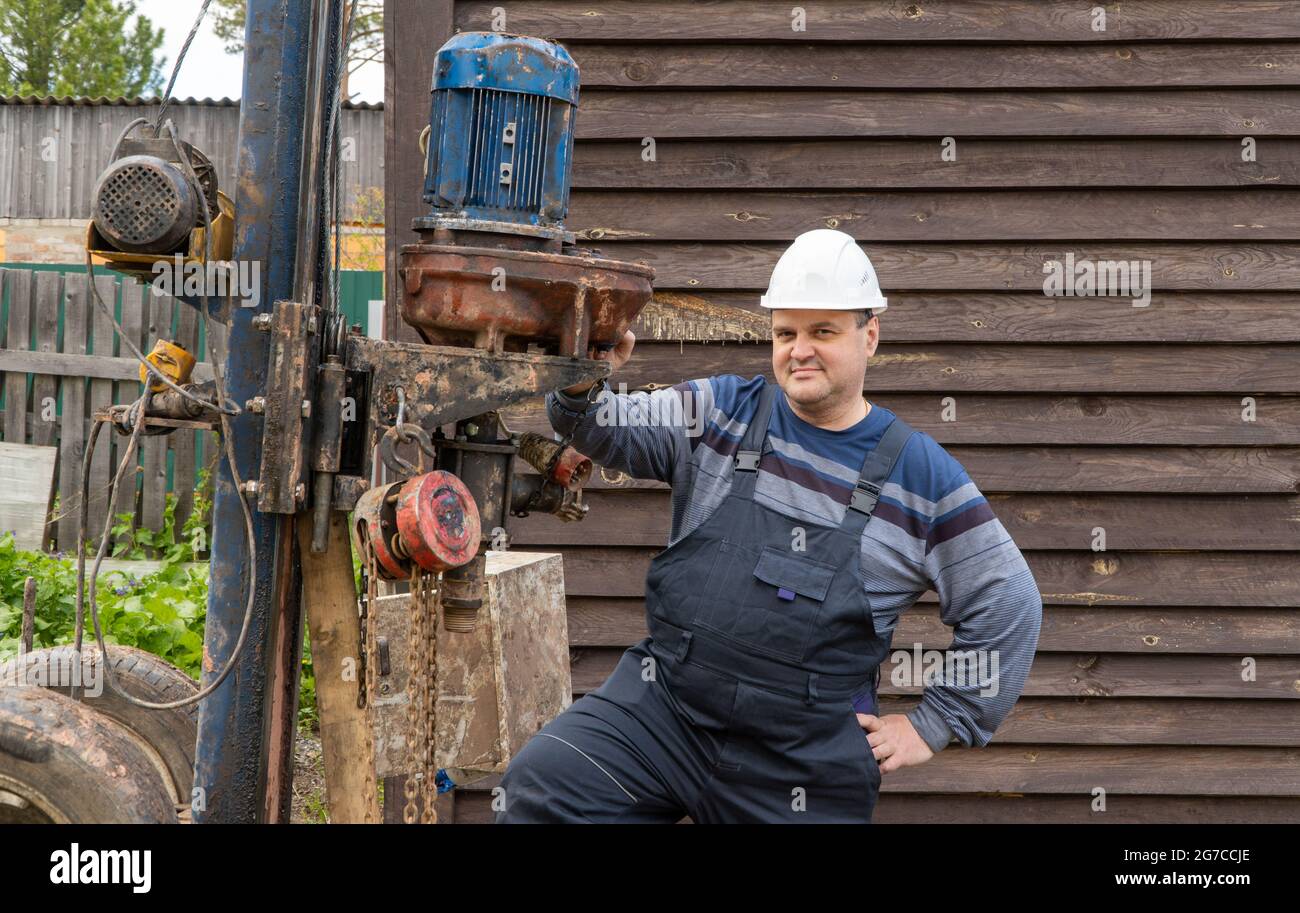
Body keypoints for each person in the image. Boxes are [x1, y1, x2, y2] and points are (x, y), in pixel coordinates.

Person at [495, 229, 1043, 823]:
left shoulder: (923, 478)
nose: (799, 350)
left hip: (798, 757)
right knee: (547, 787)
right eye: (786, 333)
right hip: (666, 709)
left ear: (871, 335)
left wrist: (934, 723)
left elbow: (1008, 602)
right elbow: (605, 429)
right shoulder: (722, 410)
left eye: (823, 331)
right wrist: (581, 380)